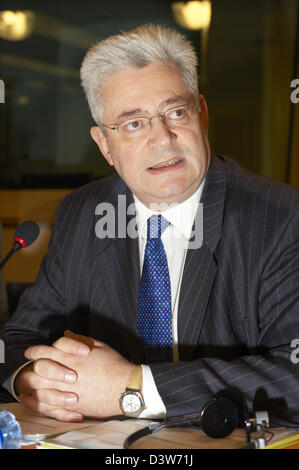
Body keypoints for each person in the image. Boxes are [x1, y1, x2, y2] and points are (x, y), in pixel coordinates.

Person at [0, 24, 299, 426]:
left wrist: (134, 389)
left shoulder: (281, 217)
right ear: (105, 145)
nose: (162, 139)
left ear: (203, 115)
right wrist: (35, 379)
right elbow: (18, 338)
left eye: (176, 112)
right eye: (133, 123)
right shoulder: (82, 213)